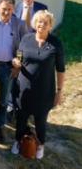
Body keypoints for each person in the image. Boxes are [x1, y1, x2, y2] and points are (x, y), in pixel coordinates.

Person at [10, 10, 64, 159]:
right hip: (24, 88)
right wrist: (15, 62)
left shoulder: (56, 44)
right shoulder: (26, 39)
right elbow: (19, 57)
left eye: (45, 22)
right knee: (21, 118)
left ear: (50, 25)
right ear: (35, 23)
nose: (42, 24)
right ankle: (17, 141)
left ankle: (40, 145)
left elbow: (61, 69)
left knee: (41, 120)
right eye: (39, 21)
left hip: (45, 90)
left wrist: (59, 91)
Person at [0, 0, 28, 142]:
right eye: (4, 9)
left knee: (3, 100)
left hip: (9, 68)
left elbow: (26, 46)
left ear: (13, 9)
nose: (6, 12)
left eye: (9, 9)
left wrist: (18, 67)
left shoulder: (19, 24)